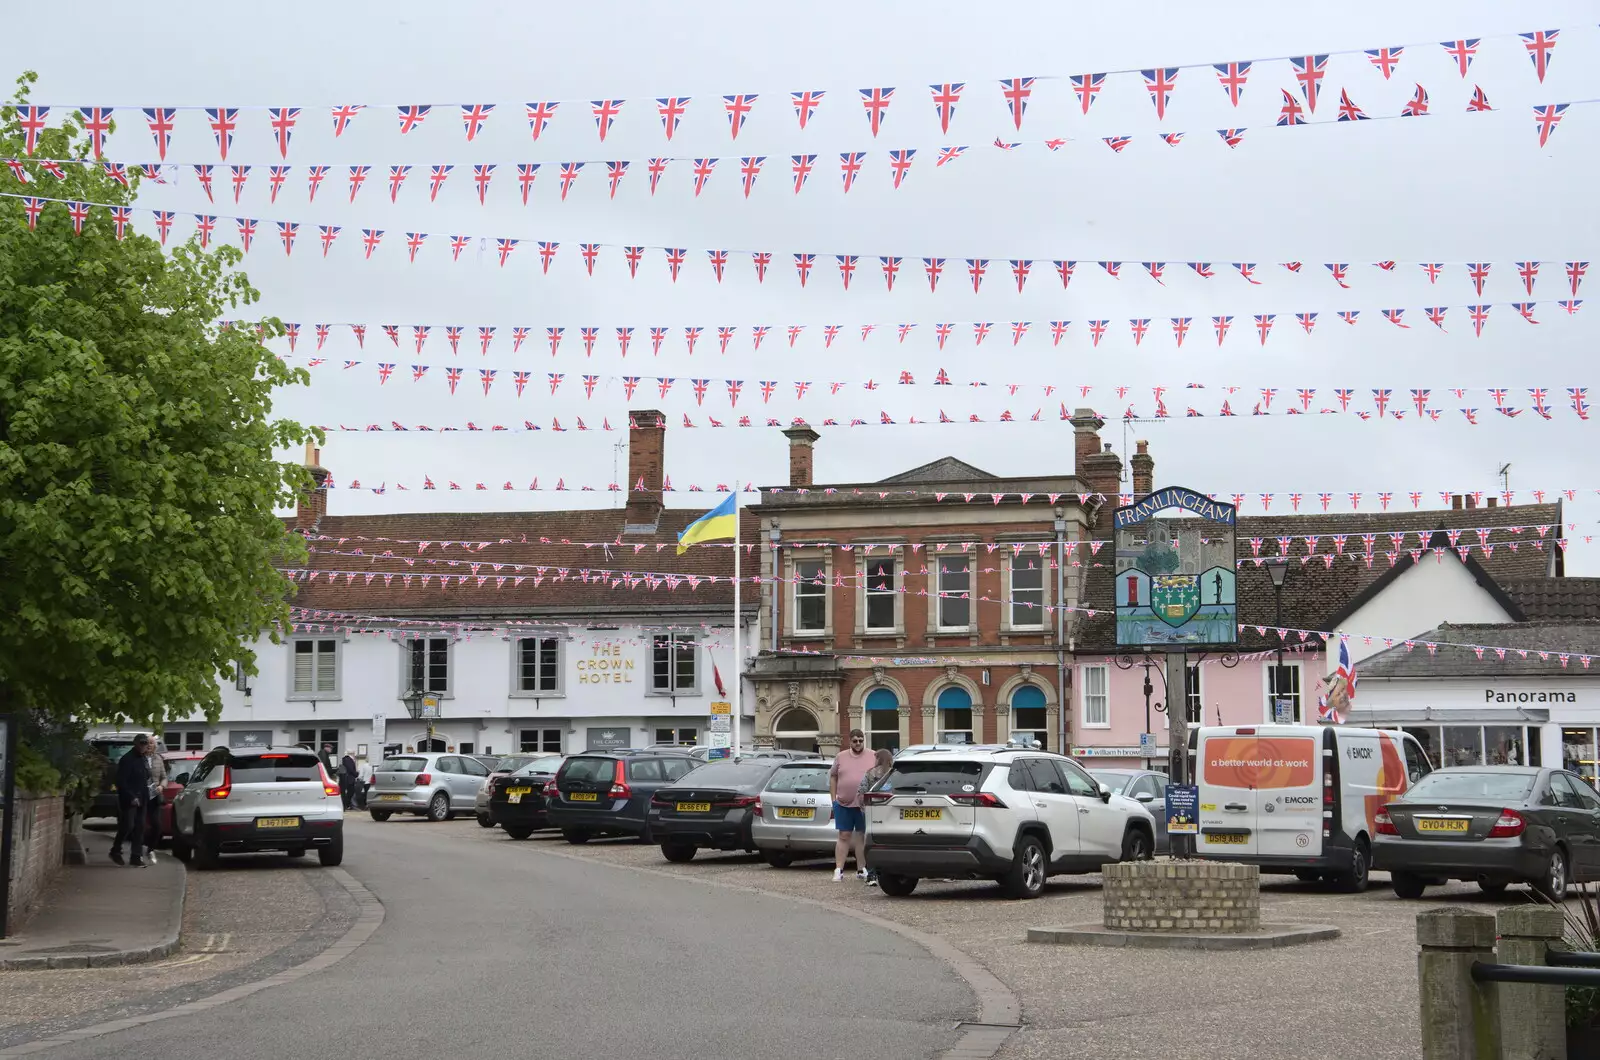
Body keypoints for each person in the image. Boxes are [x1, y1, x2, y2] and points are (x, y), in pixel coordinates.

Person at [828, 729, 875, 882]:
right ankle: (838, 869)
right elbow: (833, 777)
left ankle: (861, 869)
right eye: (855, 741)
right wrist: (833, 800)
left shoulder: (872, 755)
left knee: (861, 836)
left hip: (863, 805)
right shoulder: (840, 756)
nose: (858, 743)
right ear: (850, 741)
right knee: (844, 835)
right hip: (843, 803)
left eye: (860, 740)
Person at [110, 735, 152, 866]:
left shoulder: (144, 759)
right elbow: (121, 781)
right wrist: (131, 796)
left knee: (140, 827)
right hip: (130, 799)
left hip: (143, 797)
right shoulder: (127, 759)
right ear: (135, 743)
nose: (144, 746)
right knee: (128, 825)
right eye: (141, 743)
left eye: (146, 743)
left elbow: (147, 777)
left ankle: (136, 856)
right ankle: (116, 850)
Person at [856, 748, 894, 886]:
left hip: (872, 813)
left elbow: (861, 793)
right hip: (891, 814)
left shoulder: (870, 773)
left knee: (871, 843)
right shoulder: (893, 773)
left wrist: (863, 808)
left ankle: (871, 875)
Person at [144, 741, 168, 862]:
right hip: (141, 796)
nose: (149, 745)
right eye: (147, 743)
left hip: (154, 796)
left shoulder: (158, 758)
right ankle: (135, 850)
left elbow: (164, 777)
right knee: (136, 825)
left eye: (152, 743)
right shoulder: (139, 758)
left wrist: (162, 786)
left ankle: (150, 849)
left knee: (157, 825)